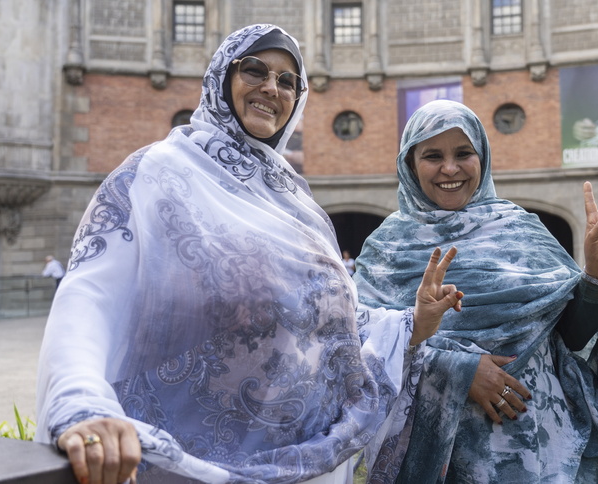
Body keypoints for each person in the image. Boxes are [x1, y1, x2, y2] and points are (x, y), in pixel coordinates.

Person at [35, 25, 464, 484]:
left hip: (308, 465)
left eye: (287, 81)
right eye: (254, 70)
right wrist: (82, 403)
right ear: (222, 78)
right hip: (179, 464)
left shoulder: (300, 206)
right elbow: (89, 298)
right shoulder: (157, 172)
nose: (270, 88)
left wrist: (411, 324)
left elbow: (326, 326)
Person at [354, 100, 598, 483]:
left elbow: (572, 340)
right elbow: (359, 347)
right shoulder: (385, 249)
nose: (450, 168)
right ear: (410, 165)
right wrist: (457, 371)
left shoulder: (523, 230)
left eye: (463, 153)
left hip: (541, 457)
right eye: (433, 155)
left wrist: (597, 273)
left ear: (482, 157)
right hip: (439, 463)